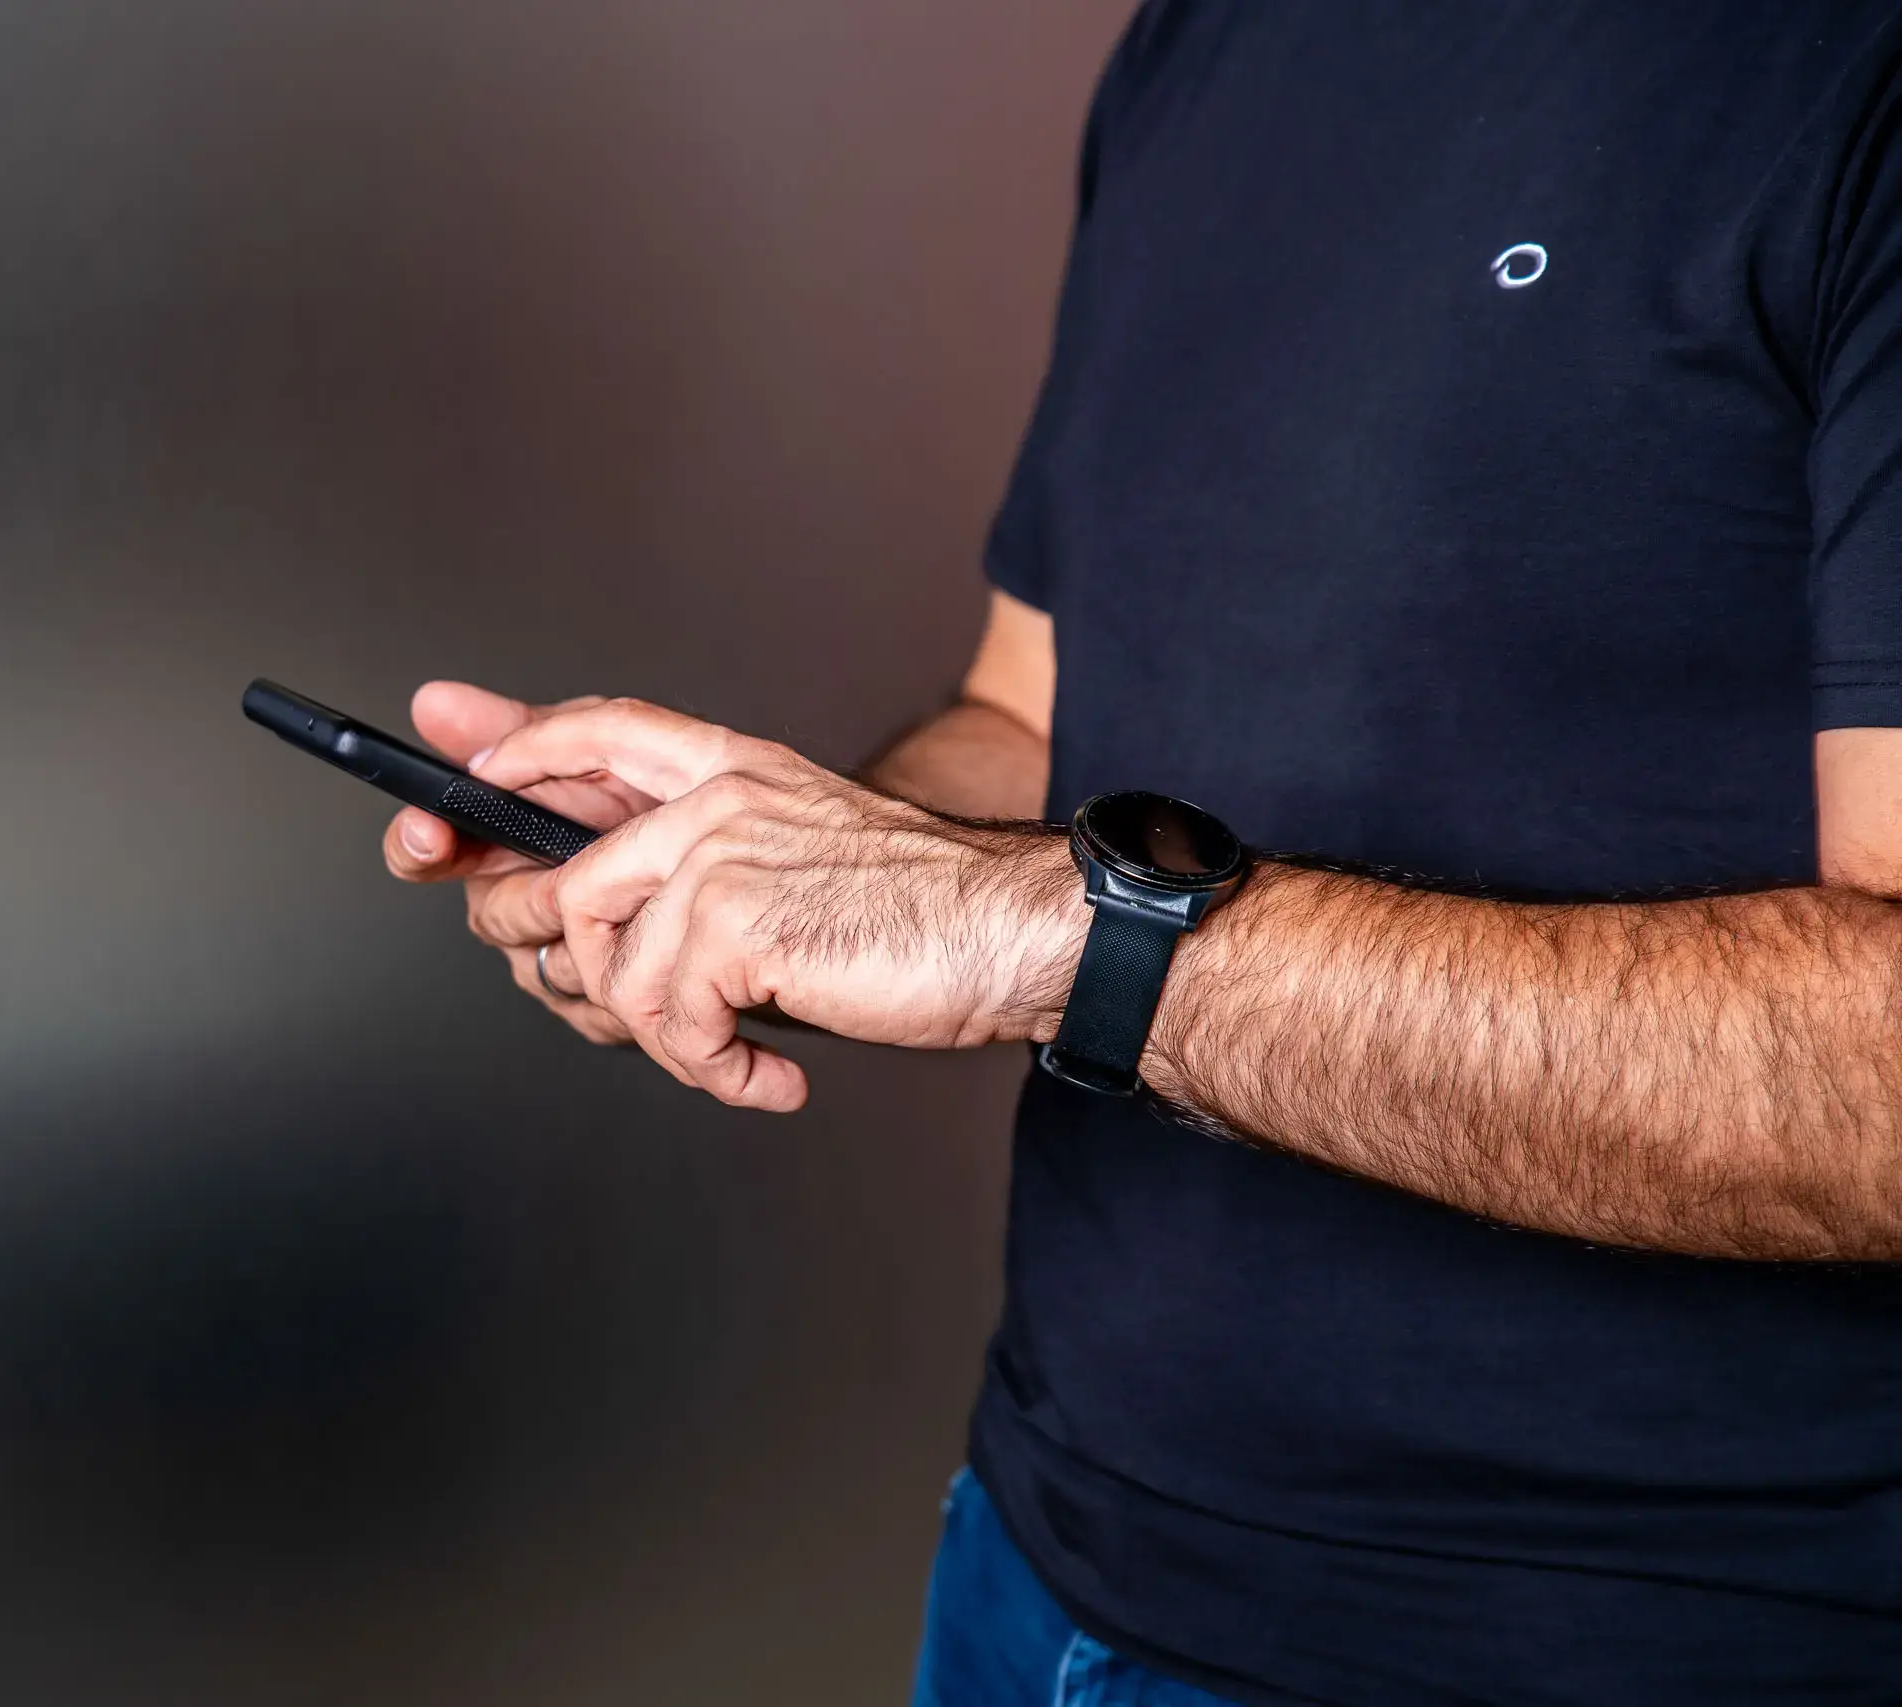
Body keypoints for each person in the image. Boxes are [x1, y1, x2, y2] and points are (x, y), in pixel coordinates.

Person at [386, 3, 1902, 1702]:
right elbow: (1032, 715)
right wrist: (759, 877)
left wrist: (1058, 932)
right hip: (1042, 1568)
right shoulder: (1207, 45)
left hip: (1621, 1645)